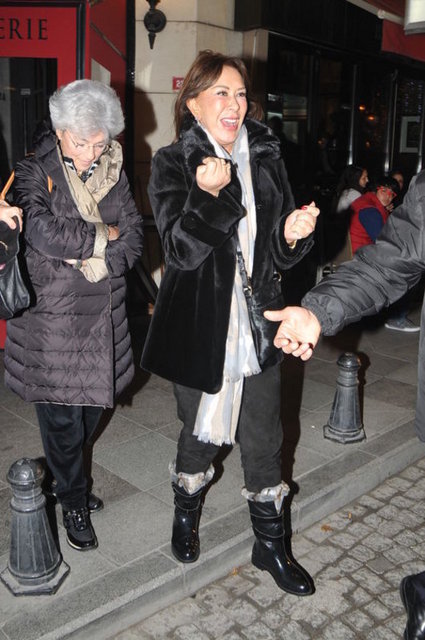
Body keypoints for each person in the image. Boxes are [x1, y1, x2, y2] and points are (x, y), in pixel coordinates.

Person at [141, 50, 318, 596]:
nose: (234, 104)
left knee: (265, 437)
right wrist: (209, 196)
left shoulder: (265, 157)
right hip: (200, 327)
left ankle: (270, 546)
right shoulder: (172, 164)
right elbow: (179, 251)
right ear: (193, 103)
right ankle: (185, 513)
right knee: (199, 435)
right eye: (220, 92)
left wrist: (291, 234)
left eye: (240, 93)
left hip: (261, 324)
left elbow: (277, 254)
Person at [4, 79, 143, 552]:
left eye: (99, 143)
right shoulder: (33, 171)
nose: (89, 154)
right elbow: (43, 233)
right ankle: (73, 500)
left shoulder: (115, 171)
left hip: (103, 316)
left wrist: (95, 254)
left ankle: (66, 478)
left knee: (90, 412)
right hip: (53, 322)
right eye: (80, 142)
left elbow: (135, 236)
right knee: (63, 421)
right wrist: (106, 235)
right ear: (60, 131)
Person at [349, 175, 399, 255]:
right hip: (358, 256)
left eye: (392, 194)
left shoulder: (367, 200)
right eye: (384, 191)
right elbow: (383, 243)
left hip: (356, 253)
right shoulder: (370, 211)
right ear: (375, 189)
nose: (388, 196)